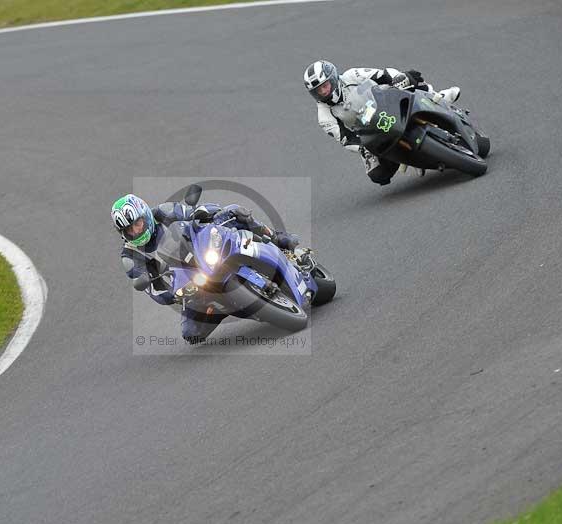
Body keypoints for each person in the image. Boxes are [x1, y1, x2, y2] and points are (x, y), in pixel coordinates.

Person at [112, 194, 299, 344]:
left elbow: (194, 212)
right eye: (130, 229)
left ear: (145, 216)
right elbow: (152, 288)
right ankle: (229, 304)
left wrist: (210, 213)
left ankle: (278, 239)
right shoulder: (130, 256)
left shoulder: (164, 212)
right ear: (123, 233)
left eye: (138, 224)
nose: (136, 231)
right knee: (191, 334)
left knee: (236, 211)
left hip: (206, 250)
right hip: (190, 282)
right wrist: (174, 295)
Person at [303, 60, 462, 185]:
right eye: (318, 90)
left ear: (332, 78)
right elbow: (345, 138)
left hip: (385, 104)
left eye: (325, 86)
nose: (323, 92)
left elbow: (382, 74)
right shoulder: (324, 116)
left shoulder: (352, 75)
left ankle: (439, 97)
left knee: (411, 80)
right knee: (379, 174)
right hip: (369, 133)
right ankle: (411, 158)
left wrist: (399, 78)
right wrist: (362, 147)